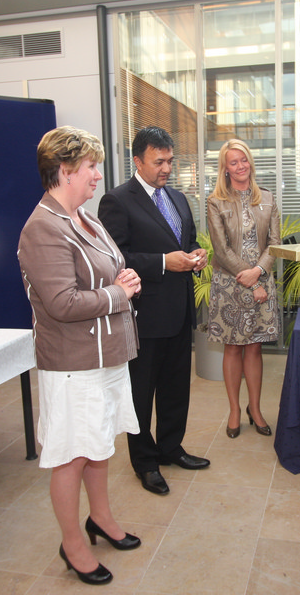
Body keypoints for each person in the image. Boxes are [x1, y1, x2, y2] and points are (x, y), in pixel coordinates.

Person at [17, 126, 142, 586]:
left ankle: (101, 518)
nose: (97, 175)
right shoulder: (42, 227)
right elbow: (62, 303)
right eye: (91, 166)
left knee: (99, 442)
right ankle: (72, 544)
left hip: (105, 355)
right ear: (65, 169)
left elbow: (110, 270)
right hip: (73, 364)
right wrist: (118, 293)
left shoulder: (85, 217)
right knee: (72, 454)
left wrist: (123, 281)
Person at [98, 126, 210, 495]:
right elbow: (115, 259)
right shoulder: (117, 201)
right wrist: (163, 262)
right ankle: (145, 462)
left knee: (176, 388)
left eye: (170, 161)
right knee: (141, 394)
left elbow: (187, 240)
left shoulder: (177, 198)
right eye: (159, 162)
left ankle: (171, 448)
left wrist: (195, 255)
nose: (167, 169)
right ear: (137, 160)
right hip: (144, 317)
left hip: (179, 311)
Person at [206, 138, 281, 438]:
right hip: (229, 283)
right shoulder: (216, 202)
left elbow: (275, 244)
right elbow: (221, 249)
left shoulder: (268, 199)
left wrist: (258, 274)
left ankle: (256, 409)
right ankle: (235, 410)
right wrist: (249, 278)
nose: (240, 166)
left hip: (262, 278)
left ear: (250, 161)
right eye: (233, 162)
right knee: (233, 347)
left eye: (244, 160)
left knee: (254, 347)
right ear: (225, 169)